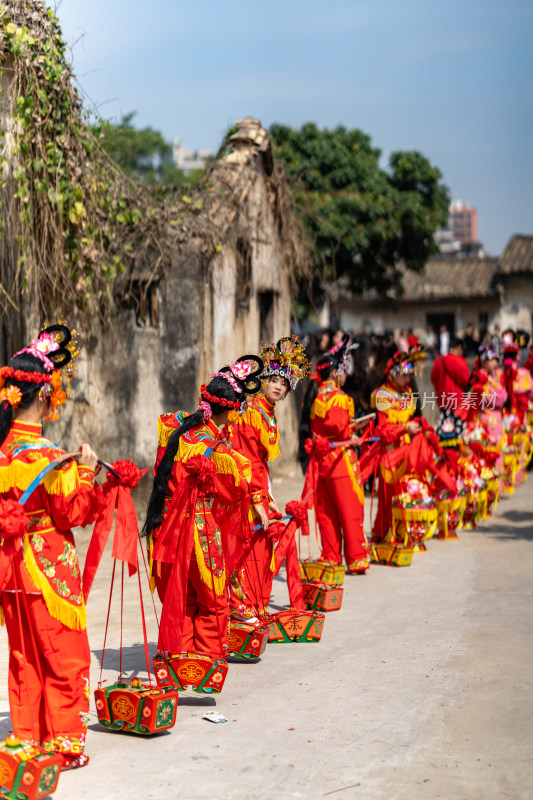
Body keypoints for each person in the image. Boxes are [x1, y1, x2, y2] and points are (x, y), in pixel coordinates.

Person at [0, 326, 101, 769]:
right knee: (65, 651)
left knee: (24, 653)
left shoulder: (4, 452)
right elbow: (73, 513)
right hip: (47, 562)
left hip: (11, 566)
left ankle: (29, 739)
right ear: (44, 396)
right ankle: (64, 743)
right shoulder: (47, 457)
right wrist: (87, 472)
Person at [143, 356, 263, 659]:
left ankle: (178, 656)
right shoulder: (218, 450)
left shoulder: (172, 424)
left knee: (181, 597)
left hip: (163, 526)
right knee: (212, 599)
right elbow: (236, 489)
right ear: (233, 410)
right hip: (198, 529)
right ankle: (207, 660)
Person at [228, 337, 309, 619]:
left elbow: (260, 463)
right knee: (249, 548)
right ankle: (244, 609)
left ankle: (255, 608)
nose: (278, 386)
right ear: (261, 379)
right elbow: (246, 459)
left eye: (284, 383)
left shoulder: (266, 412)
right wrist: (257, 498)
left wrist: (268, 495)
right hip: (242, 488)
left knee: (261, 547)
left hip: (257, 485)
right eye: (273, 379)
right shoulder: (251, 412)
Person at [300, 336, 370, 573]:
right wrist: (354, 428)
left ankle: (330, 555)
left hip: (321, 461)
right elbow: (341, 429)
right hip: (340, 458)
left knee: (326, 510)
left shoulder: (315, 397)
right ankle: (357, 557)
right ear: (336, 372)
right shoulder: (340, 398)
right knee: (349, 509)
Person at [370, 349, 423, 542]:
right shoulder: (383, 394)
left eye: (409, 374)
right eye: (404, 374)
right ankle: (384, 532)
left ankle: (402, 530)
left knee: (405, 491)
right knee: (388, 494)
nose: (408, 378)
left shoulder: (407, 392)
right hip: (391, 450)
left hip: (407, 449)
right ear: (393, 372)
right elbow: (383, 429)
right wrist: (404, 428)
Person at [431, 337, 470, 423]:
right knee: (458, 431)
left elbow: (433, 379)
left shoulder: (437, 362)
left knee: (446, 430)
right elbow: (466, 381)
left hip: (443, 402)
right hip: (458, 403)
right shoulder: (459, 361)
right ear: (459, 347)